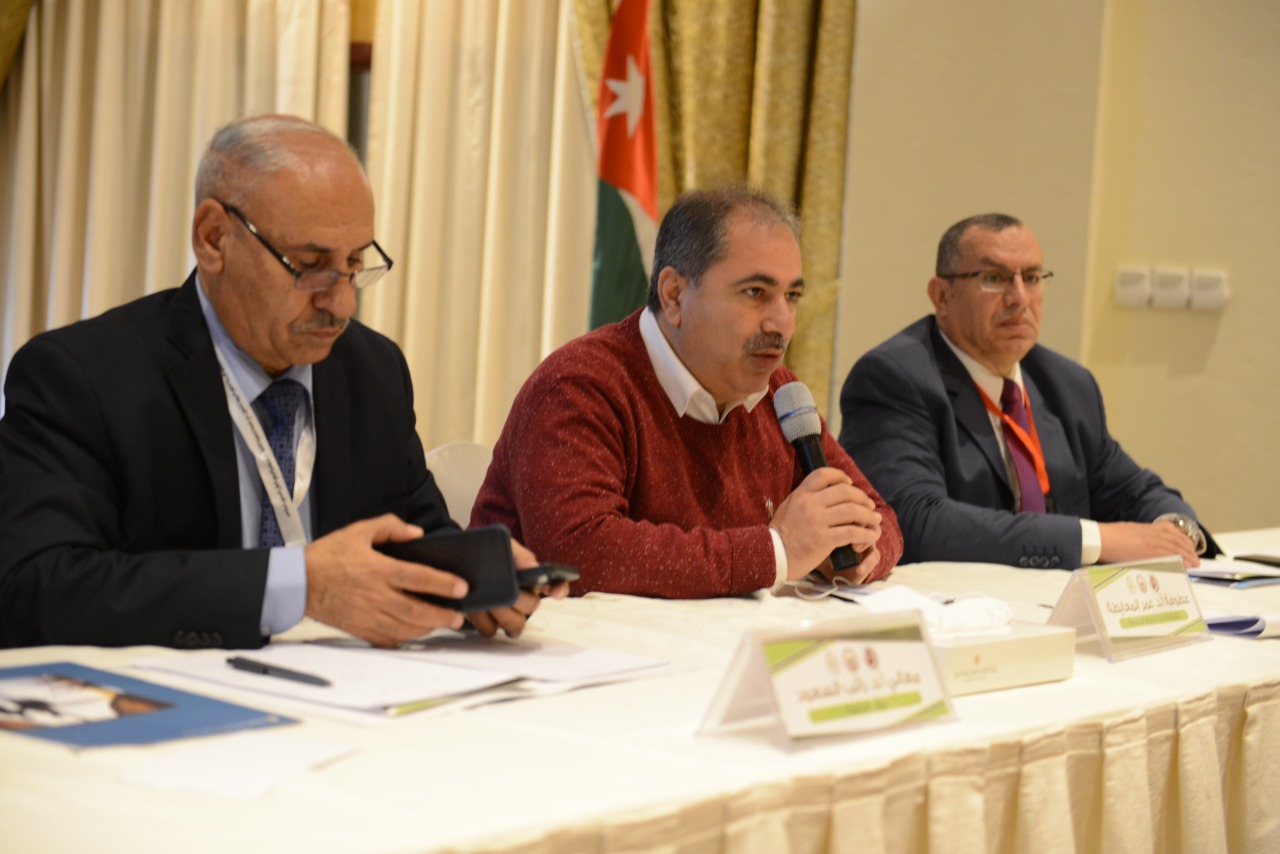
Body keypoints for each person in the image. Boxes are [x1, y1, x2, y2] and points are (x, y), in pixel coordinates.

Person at [0, 115, 558, 650]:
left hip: (351, 695)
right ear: (213, 238)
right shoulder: (84, 377)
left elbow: (418, 537)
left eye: (355, 264)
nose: (342, 304)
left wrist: (473, 579)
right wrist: (298, 585)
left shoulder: (372, 371)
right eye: (310, 266)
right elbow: (34, 586)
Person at [472, 186, 903, 597]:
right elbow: (579, 553)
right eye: (756, 292)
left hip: (719, 643)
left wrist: (859, 551)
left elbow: (883, 519)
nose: (783, 323)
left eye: (792, 296)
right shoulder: (580, 385)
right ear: (674, 295)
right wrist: (777, 550)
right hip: (558, 647)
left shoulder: (781, 395)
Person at [838, 213, 1210, 569]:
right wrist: (1096, 540)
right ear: (942, 297)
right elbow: (913, 520)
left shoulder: (1069, 385)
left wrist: (1175, 532)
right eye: (994, 278)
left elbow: (1135, 491)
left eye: (1032, 278)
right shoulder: (895, 378)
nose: (1019, 298)